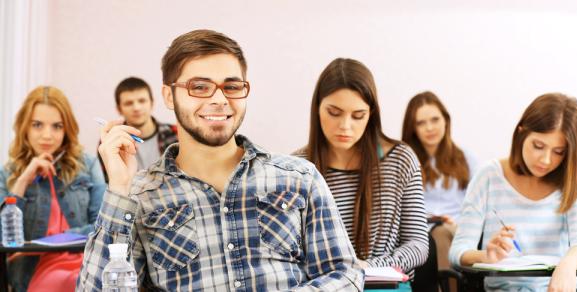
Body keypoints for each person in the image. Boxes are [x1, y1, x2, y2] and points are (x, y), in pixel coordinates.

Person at [77, 30, 363, 291]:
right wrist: (119, 188)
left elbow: (346, 275)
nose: (219, 99)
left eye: (231, 86)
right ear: (168, 95)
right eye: (199, 87)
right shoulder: (139, 194)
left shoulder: (299, 177)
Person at [295, 58, 429, 287]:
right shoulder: (297, 168)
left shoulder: (400, 159)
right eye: (334, 112)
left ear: (371, 114)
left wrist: (370, 267)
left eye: (358, 116)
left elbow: (418, 244)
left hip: (381, 286)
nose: (345, 126)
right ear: (317, 107)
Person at [449, 93, 577, 291]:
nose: (545, 160)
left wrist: (567, 265)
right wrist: (485, 256)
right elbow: (457, 252)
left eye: (558, 151)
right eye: (538, 146)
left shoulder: (571, 180)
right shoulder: (489, 176)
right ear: (521, 133)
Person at [0, 86, 106, 292]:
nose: (47, 135)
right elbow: (3, 236)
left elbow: (104, 224)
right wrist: (23, 180)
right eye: (37, 125)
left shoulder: (87, 165)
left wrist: (47, 241)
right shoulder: (8, 173)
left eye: (57, 126)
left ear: (66, 130)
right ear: (25, 128)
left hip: (86, 261)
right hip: (36, 269)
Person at [401, 91, 477, 270]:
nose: (429, 128)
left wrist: (460, 224)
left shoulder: (467, 158)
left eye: (435, 120)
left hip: (458, 228)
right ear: (413, 128)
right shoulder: (405, 161)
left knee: (445, 233)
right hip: (421, 229)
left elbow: (478, 205)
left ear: (445, 120)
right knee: (439, 234)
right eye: (421, 123)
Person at [98, 77, 178, 181]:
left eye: (142, 101)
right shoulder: (111, 142)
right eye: (128, 103)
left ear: (152, 103)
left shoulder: (175, 133)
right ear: (119, 109)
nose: (136, 108)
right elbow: (111, 184)